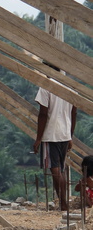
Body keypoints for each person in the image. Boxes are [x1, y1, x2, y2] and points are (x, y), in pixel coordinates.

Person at [32, 82, 77, 210]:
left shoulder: (46, 87)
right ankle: (63, 203)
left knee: (55, 170)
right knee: (60, 170)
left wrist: (38, 138)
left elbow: (43, 114)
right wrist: (70, 135)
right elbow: (74, 113)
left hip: (51, 135)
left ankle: (64, 204)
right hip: (64, 134)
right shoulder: (70, 87)